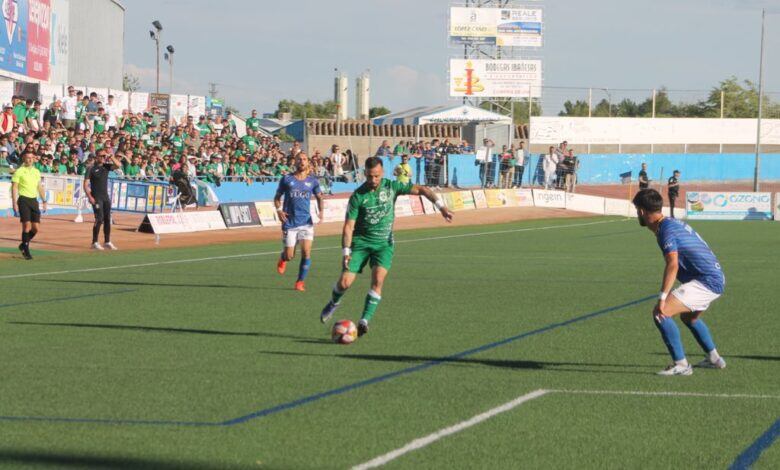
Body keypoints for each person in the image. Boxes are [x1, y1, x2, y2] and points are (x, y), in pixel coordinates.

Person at [318, 156, 454, 337]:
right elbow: (348, 226)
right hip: (361, 244)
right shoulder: (358, 196)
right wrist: (346, 251)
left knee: (378, 281)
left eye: (376, 176)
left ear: (382, 173)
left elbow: (422, 189)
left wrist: (441, 207)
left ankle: (364, 321)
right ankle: (334, 303)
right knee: (344, 283)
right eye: (369, 176)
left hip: (384, 244)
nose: (373, 180)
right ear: (364, 174)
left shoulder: (392, 187)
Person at [632, 189, 726, 376]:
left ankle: (681, 365)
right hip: (715, 278)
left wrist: (663, 297)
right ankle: (714, 359)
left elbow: (672, 263)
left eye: (636, 210)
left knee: (661, 313)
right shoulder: (671, 223)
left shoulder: (665, 230)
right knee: (689, 318)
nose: (637, 214)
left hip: (706, 281)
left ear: (642, 211)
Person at [274, 152, 325, 292]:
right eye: (299, 159)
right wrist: (279, 210)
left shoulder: (313, 181)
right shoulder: (286, 179)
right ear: (294, 162)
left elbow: (320, 197)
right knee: (290, 256)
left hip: (306, 222)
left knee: (306, 252)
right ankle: (283, 258)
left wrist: (321, 212)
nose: (302, 161)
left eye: (304, 159)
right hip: (290, 222)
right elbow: (277, 197)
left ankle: (300, 282)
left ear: (307, 162)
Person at [83, 150, 122, 250]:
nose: (104, 157)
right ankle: (94, 242)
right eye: (102, 156)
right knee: (99, 219)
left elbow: (118, 165)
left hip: (105, 197)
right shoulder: (91, 168)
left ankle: (107, 241)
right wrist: (90, 197)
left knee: (107, 219)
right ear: (97, 156)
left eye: (105, 156)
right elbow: (85, 184)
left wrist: (111, 156)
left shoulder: (106, 166)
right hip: (96, 197)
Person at [11, 151, 47, 260]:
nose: (30, 159)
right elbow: (14, 187)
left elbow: (39, 187)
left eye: (32, 158)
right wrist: (14, 203)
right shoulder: (19, 171)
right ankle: (26, 250)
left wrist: (44, 200)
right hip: (23, 200)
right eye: (28, 158)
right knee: (26, 225)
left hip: (34, 200)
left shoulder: (36, 172)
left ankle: (23, 244)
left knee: (35, 228)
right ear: (24, 159)